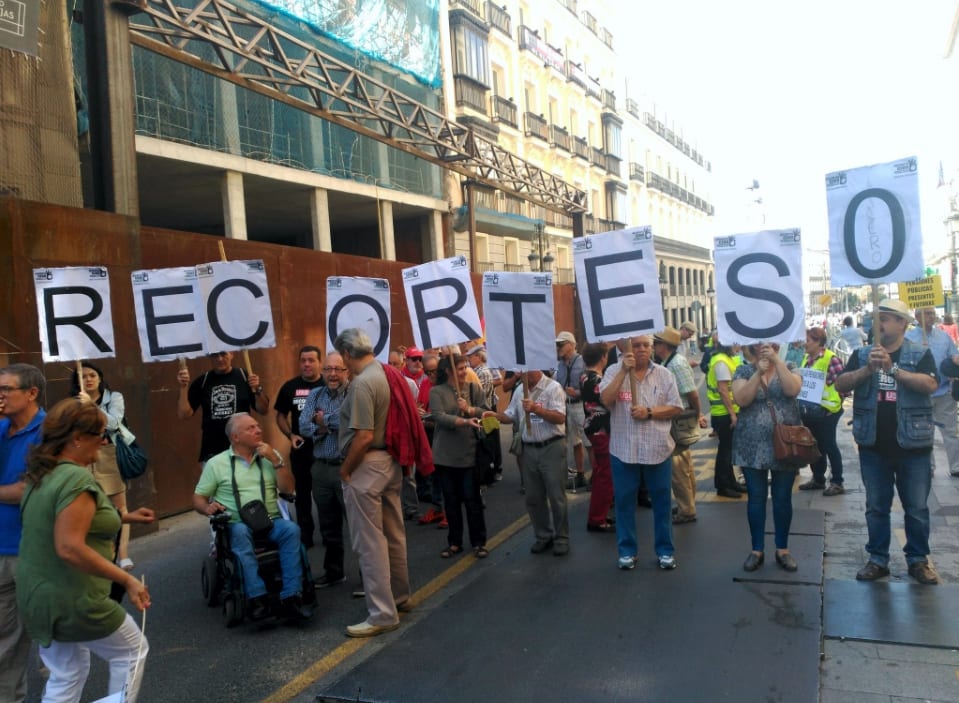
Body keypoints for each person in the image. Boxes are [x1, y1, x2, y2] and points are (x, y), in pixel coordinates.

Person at [18, 398, 155, 703]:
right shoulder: (76, 478)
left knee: (68, 673)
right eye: (100, 435)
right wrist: (127, 579)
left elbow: (66, 518)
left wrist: (126, 517)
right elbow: (69, 547)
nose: (105, 442)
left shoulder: (42, 475)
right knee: (131, 651)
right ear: (77, 438)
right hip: (73, 596)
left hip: (38, 597)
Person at [835, 299, 940, 585]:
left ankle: (918, 560)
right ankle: (878, 559)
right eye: (877, 318)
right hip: (873, 445)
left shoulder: (920, 353)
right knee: (876, 507)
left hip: (913, 446)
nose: (878, 323)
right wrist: (867, 370)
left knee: (916, 509)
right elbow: (841, 384)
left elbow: (930, 385)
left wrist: (893, 370)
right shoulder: (862, 354)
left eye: (885, 318)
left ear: (902, 323)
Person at [192, 413, 311, 620]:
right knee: (239, 532)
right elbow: (198, 498)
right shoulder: (216, 464)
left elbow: (288, 489)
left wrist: (276, 461)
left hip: (271, 521)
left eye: (258, 426)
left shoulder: (270, 456)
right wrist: (207, 508)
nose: (259, 430)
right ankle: (257, 598)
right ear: (236, 437)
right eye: (251, 428)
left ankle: (292, 595)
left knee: (291, 530)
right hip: (237, 523)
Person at [334, 328, 412, 637]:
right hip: (388, 462)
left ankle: (382, 613)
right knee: (393, 534)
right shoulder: (384, 372)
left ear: (347, 354)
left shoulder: (364, 382)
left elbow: (364, 435)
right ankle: (399, 597)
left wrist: (346, 470)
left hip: (367, 465)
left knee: (370, 543)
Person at [600, 335, 683, 571]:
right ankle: (627, 551)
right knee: (624, 503)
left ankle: (665, 551)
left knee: (662, 503)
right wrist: (622, 372)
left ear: (652, 348)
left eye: (646, 345)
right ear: (628, 348)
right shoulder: (613, 371)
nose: (642, 349)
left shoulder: (664, 374)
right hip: (623, 451)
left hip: (657, 450)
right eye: (637, 346)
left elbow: (676, 407)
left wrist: (649, 412)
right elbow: (605, 400)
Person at [731, 343, 804, 572]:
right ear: (753, 346)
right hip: (751, 444)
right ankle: (757, 549)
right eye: (762, 343)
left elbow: (793, 390)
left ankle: (783, 549)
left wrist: (777, 363)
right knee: (756, 497)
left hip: (786, 444)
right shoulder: (744, 371)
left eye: (773, 343)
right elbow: (741, 399)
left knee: (782, 497)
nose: (767, 346)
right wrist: (758, 373)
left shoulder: (790, 366)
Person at [0, 363, 46, 702]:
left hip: (35, 552)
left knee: (54, 645)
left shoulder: (48, 432)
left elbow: (29, 489)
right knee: (5, 647)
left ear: (31, 393)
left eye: (6, 389)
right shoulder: (1, 428)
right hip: (2, 552)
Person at [485, 369, 568, 555]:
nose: (521, 373)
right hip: (529, 449)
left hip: (552, 446)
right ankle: (543, 536)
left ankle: (562, 538)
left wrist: (537, 409)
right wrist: (495, 416)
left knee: (556, 496)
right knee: (533, 497)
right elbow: (511, 415)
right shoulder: (519, 390)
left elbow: (560, 417)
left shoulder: (553, 388)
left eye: (525, 370)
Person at [70, 363, 136, 570]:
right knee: (89, 505)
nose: (89, 379)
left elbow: (114, 423)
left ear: (100, 378)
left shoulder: (113, 397)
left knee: (119, 506)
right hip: (84, 456)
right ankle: (103, 551)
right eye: (84, 376)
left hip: (108, 453)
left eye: (93, 375)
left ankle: (123, 554)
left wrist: (91, 406)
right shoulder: (73, 402)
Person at [430, 354, 489, 558]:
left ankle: (479, 542)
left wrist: (469, 409)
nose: (464, 372)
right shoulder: (436, 391)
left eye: (465, 367)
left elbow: (485, 412)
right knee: (451, 502)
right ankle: (454, 542)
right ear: (449, 371)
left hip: (469, 454)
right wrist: (463, 420)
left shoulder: (474, 389)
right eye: (460, 368)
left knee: (473, 502)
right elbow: (439, 416)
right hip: (445, 456)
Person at [299, 352, 350, 589]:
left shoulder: (353, 393)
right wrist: (327, 425)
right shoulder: (315, 394)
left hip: (347, 467)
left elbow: (349, 421)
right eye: (328, 369)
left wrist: (322, 421)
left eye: (338, 369)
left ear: (347, 371)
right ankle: (334, 572)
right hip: (321, 468)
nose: (332, 374)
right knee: (328, 526)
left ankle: (370, 577)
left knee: (358, 525)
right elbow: (303, 426)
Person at [177, 351, 269, 467]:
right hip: (213, 452)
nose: (220, 359)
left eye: (223, 354)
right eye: (215, 355)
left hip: (243, 450)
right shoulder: (203, 381)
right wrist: (183, 387)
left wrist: (257, 389)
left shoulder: (244, 376)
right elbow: (184, 414)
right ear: (209, 357)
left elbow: (263, 410)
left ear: (231, 354)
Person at [653, 328, 706, 525]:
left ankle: (687, 509)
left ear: (664, 345)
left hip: (678, 420)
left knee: (678, 468)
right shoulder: (671, 362)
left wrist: (698, 414)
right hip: (676, 419)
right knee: (684, 464)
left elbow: (692, 393)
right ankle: (688, 503)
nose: (653, 347)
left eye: (656, 343)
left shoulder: (676, 364)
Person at [274, 345, 325, 547]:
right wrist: (290, 435)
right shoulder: (290, 387)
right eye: (303, 360)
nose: (307, 364)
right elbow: (280, 416)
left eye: (311, 360)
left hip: (325, 450)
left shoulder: (328, 384)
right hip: (301, 450)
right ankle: (306, 535)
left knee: (325, 495)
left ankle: (330, 533)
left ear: (320, 362)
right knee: (303, 495)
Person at [906, 307, 959, 477]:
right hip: (920, 393)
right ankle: (928, 467)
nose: (931, 316)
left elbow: (953, 355)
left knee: (950, 431)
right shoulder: (908, 338)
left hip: (944, 392)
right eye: (927, 313)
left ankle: (956, 466)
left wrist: (955, 361)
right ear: (917, 317)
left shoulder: (943, 336)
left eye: (932, 313)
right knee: (924, 432)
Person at [797, 327, 847, 495]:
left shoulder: (831, 359)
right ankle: (818, 478)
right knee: (815, 445)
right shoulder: (807, 359)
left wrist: (834, 407)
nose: (804, 343)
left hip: (828, 411)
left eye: (808, 340)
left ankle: (837, 481)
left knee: (829, 445)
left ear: (818, 342)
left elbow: (844, 386)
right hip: (811, 411)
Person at [580, 343, 613, 532]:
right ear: (603, 357)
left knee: (601, 472)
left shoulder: (584, 376)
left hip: (592, 427)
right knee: (605, 476)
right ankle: (597, 518)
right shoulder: (598, 380)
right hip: (601, 430)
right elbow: (608, 402)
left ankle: (599, 514)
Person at [707, 340, 744, 498]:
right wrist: (732, 414)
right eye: (736, 343)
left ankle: (731, 482)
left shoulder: (728, 359)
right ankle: (723, 485)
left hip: (727, 412)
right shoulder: (721, 361)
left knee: (729, 450)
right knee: (725, 451)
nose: (739, 346)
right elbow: (723, 390)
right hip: (723, 413)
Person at [555, 331, 590, 491]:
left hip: (580, 405)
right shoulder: (560, 365)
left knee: (589, 442)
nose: (558, 347)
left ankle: (596, 475)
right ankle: (580, 474)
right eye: (557, 345)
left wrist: (577, 392)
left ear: (571, 344)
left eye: (561, 344)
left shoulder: (582, 362)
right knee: (575, 442)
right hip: (566, 406)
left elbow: (591, 386)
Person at [466, 344, 503, 483]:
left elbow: (480, 395)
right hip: (483, 410)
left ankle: (492, 473)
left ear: (479, 357)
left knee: (489, 443)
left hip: (486, 412)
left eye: (471, 357)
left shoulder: (483, 372)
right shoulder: (476, 370)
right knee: (486, 443)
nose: (469, 360)